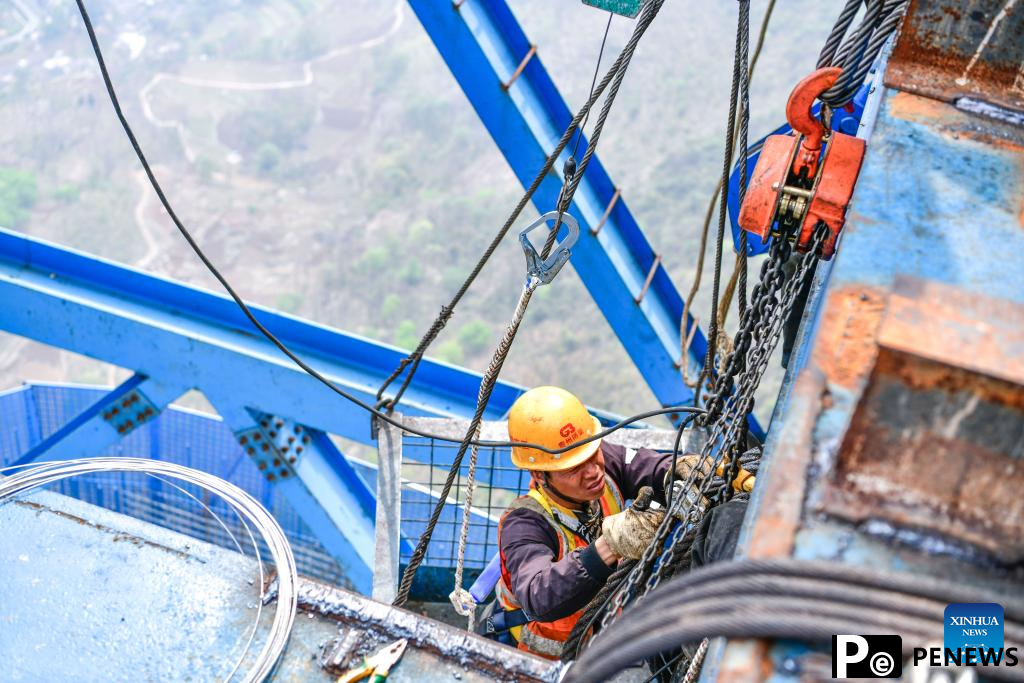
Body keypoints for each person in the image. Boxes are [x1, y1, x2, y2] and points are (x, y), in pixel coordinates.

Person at [490, 386, 706, 659]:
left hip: (596, 644)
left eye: (593, 454)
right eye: (573, 468)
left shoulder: (599, 460)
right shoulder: (524, 523)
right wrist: (610, 546)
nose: (593, 472)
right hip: (539, 661)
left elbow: (644, 466)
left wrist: (683, 469)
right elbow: (538, 596)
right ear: (540, 474)